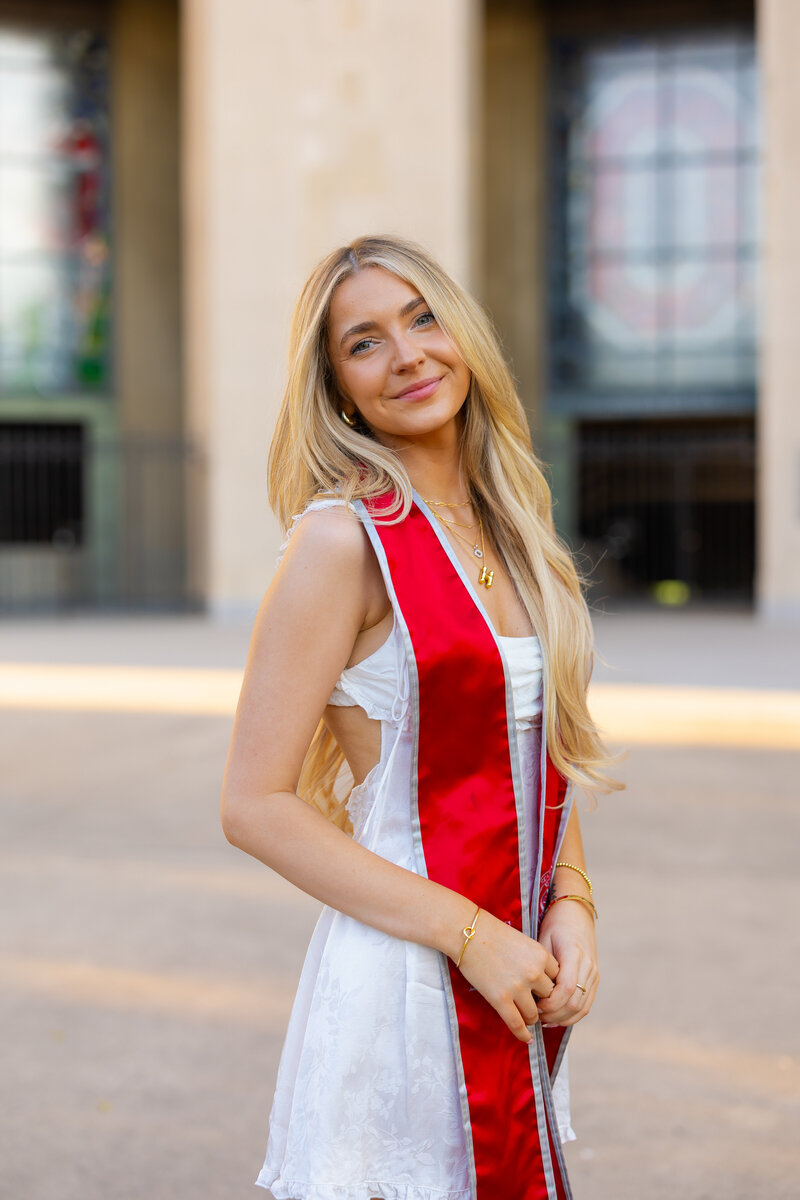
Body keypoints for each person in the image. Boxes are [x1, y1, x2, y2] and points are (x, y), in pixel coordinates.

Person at [221, 234, 621, 1200]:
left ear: (465, 336)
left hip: (515, 965)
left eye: (424, 318)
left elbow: (544, 749)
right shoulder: (339, 543)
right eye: (365, 343)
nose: (407, 356)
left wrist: (572, 899)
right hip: (404, 977)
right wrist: (471, 935)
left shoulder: (517, 532)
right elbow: (255, 804)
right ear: (340, 389)